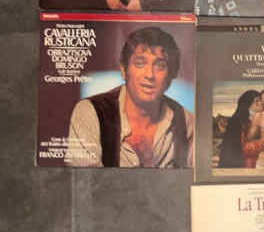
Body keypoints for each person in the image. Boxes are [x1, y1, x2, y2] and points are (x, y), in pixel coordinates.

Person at [66, 27, 193, 168]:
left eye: (159, 66)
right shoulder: (90, 113)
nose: (149, 75)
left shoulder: (186, 121)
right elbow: (84, 180)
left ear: (170, 76)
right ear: (124, 70)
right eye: (140, 63)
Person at [218, 90, 264, 168]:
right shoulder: (239, 122)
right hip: (246, 165)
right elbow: (240, 150)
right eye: (256, 101)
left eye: (260, 100)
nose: (261, 103)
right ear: (248, 105)